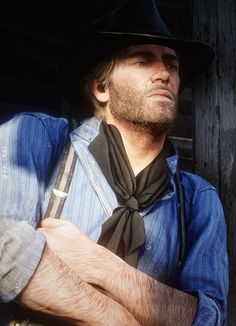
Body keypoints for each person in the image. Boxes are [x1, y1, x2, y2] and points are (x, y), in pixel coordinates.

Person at [0, 0, 228, 325]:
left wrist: (99, 264)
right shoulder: (37, 138)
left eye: (172, 65)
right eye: (142, 61)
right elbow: (5, 248)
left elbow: (208, 319)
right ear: (101, 88)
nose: (164, 74)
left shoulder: (197, 200)